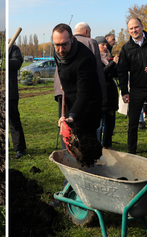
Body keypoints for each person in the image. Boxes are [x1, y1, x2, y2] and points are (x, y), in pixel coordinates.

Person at [49, 23, 102, 207]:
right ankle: (73, 190)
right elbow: (64, 73)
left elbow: (84, 94)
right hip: (72, 103)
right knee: (71, 150)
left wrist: (72, 117)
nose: (61, 49)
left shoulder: (84, 59)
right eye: (57, 45)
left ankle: (84, 193)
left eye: (64, 44)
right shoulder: (57, 54)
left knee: (83, 152)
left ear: (72, 39)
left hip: (87, 107)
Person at [117, 18, 147, 154]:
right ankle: (131, 154)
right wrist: (124, 91)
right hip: (136, 90)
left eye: (136, 27)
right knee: (133, 124)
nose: (134, 30)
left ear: (142, 26)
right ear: (128, 30)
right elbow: (121, 71)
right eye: (131, 28)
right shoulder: (126, 48)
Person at [73, 22, 107, 108]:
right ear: (86, 31)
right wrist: (103, 95)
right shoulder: (91, 42)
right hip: (88, 90)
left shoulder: (67, 43)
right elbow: (98, 69)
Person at [95, 36, 119, 149]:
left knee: (110, 123)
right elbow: (102, 74)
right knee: (99, 124)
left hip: (111, 96)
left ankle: (107, 145)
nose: (105, 47)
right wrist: (113, 64)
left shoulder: (107, 58)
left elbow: (113, 74)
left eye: (106, 45)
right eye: (102, 45)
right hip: (101, 96)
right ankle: (97, 146)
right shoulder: (95, 59)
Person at [9, 44, 26, 159]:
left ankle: (19, 148)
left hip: (10, 91)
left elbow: (17, 63)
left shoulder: (13, 48)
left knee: (13, 121)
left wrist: (6, 60)